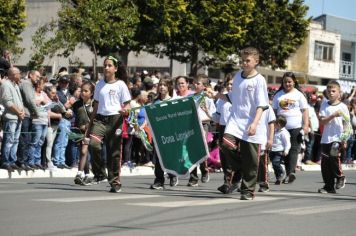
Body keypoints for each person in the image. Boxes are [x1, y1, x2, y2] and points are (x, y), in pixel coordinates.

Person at [220, 47, 269, 200]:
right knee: (226, 144)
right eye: (242, 60)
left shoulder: (259, 80)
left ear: (256, 61)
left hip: (252, 123)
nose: (244, 63)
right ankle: (239, 169)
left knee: (252, 160)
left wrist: (254, 124)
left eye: (248, 61)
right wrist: (218, 95)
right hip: (235, 120)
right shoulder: (237, 76)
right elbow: (234, 98)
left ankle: (247, 190)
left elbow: (262, 105)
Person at [86, 56, 131, 193]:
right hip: (100, 119)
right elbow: (96, 105)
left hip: (115, 119)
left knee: (114, 152)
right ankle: (100, 174)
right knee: (93, 144)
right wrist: (89, 126)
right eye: (105, 65)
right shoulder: (99, 84)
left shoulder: (121, 85)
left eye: (109, 65)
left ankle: (115, 181)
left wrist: (126, 111)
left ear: (115, 69)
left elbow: (127, 105)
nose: (106, 68)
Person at [272, 72, 309, 184]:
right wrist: (273, 125)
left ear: (294, 82)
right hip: (281, 129)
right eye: (285, 82)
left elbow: (305, 110)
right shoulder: (278, 95)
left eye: (289, 82)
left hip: (295, 127)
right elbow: (273, 111)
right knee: (281, 151)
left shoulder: (299, 95)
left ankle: (291, 173)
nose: (287, 84)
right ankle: (283, 173)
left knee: (293, 150)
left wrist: (306, 125)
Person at [318, 81, 350, 194]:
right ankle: (329, 186)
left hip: (337, 137)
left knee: (334, 155)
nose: (331, 93)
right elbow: (322, 121)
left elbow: (347, 124)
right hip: (326, 138)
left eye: (333, 91)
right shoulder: (324, 104)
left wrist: (345, 138)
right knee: (325, 163)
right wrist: (332, 116)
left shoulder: (343, 107)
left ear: (339, 92)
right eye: (329, 91)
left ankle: (340, 176)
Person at [187, 74, 216, 187]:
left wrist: (206, 114)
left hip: (203, 124)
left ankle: (204, 170)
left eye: (198, 83)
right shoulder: (191, 97)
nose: (195, 84)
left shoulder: (207, 99)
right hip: (192, 125)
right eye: (194, 82)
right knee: (192, 151)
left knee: (201, 149)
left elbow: (212, 116)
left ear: (204, 86)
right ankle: (193, 177)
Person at [150, 77, 179, 189]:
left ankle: (172, 174)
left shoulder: (173, 101)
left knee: (169, 157)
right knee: (158, 158)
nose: (162, 87)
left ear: (169, 87)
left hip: (171, 134)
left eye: (164, 85)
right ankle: (159, 180)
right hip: (158, 134)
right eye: (160, 85)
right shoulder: (155, 102)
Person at [0, 67, 25, 171]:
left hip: (18, 117)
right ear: (13, 75)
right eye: (19, 73)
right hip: (11, 117)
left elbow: (20, 101)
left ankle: (12, 160)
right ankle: (5, 161)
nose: (20, 75)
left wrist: (22, 111)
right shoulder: (6, 85)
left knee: (15, 140)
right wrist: (18, 112)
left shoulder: (16, 85)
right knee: (9, 140)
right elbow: (7, 101)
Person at [17, 70, 41, 171]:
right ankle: (21, 162)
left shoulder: (30, 85)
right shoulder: (26, 84)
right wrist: (37, 112)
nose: (38, 78)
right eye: (37, 76)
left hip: (29, 115)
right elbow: (29, 100)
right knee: (24, 139)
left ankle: (25, 161)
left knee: (27, 139)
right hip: (25, 115)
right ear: (30, 75)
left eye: (39, 77)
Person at [73, 81, 95, 185]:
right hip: (78, 131)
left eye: (86, 91)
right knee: (83, 153)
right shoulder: (77, 104)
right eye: (82, 90)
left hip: (89, 131)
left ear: (91, 93)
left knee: (83, 151)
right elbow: (73, 115)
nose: (83, 93)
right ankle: (88, 174)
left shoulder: (94, 104)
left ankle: (79, 173)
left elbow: (97, 119)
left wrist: (87, 126)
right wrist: (67, 113)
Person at [269, 116, 291, 185]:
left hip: (279, 151)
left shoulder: (284, 132)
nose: (274, 125)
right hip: (272, 150)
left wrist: (286, 150)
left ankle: (282, 173)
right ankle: (278, 178)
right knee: (274, 165)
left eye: (275, 123)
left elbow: (287, 143)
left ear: (278, 124)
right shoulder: (275, 131)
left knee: (276, 163)